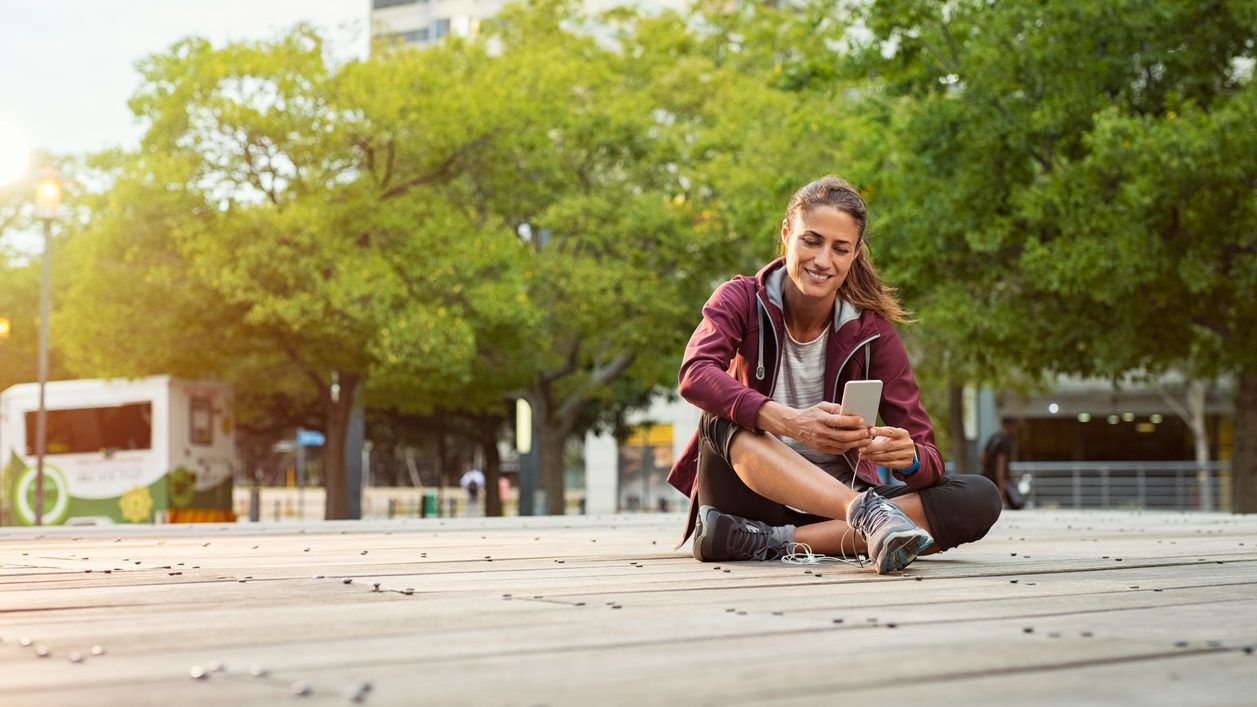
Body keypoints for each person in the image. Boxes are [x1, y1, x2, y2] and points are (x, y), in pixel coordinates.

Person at [667, 176, 1003, 574]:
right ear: (787, 233)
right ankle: (864, 516)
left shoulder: (871, 331)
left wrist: (909, 458)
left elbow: (927, 454)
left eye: (840, 248)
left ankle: (770, 541)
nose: (823, 261)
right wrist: (790, 421)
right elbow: (695, 373)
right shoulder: (740, 299)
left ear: (855, 254)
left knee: (979, 497)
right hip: (748, 494)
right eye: (812, 241)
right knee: (719, 413)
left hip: (821, 515)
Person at [981, 417, 1023, 509]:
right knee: (1016, 504)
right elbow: (1001, 465)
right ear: (1010, 426)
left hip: (986, 476)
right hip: (997, 479)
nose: (1016, 430)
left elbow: (982, 458)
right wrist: (1001, 489)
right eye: (1015, 427)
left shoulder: (993, 437)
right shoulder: (1005, 441)